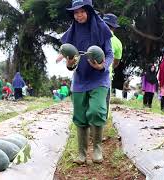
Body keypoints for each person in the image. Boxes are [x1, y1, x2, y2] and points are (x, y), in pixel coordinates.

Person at [57, 0, 113, 164]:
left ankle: (97, 148)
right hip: (80, 80)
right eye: (75, 12)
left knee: (96, 111)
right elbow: (71, 60)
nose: (79, 15)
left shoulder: (102, 29)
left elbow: (109, 54)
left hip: (99, 79)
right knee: (80, 116)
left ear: (89, 11)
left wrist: (102, 66)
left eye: (82, 11)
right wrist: (69, 64)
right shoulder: (72, 32)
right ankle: (81, 153)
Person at [103, 13, 123, 117]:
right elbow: (116, 62)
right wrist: (110, 66)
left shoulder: (94, 36)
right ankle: (100, 127)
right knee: (104, 105)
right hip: (106, 76)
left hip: (88, 76)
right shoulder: (117, 42)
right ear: (114, 27)